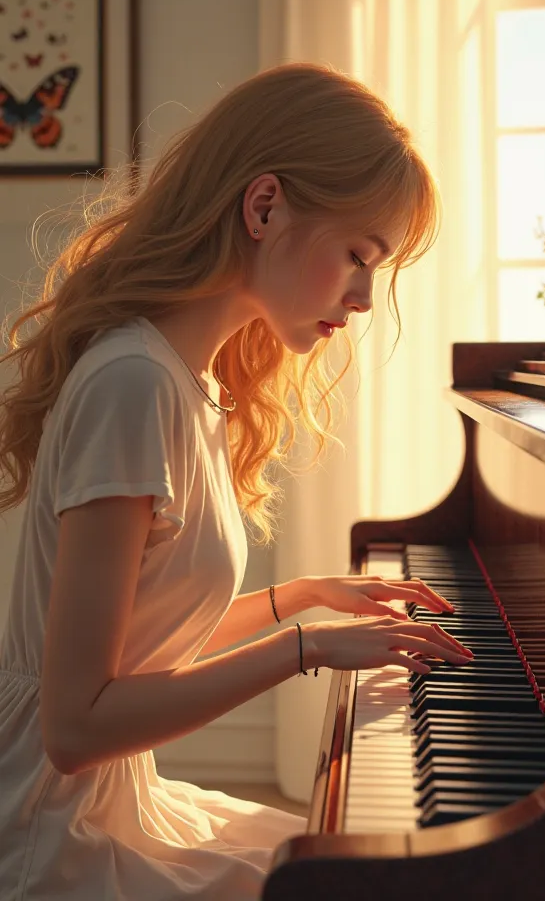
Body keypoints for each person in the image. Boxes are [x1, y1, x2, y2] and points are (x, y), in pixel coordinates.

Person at [0, 62, 473, 901]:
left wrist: (301, 597)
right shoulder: (134, 384)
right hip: (50, 833)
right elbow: (75, 728)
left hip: (105, 805)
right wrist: (308, 649)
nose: (364, 298)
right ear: (263, 208)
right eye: (358, 256)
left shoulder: (185, 378)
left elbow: (139, 646)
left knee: (368, 857)